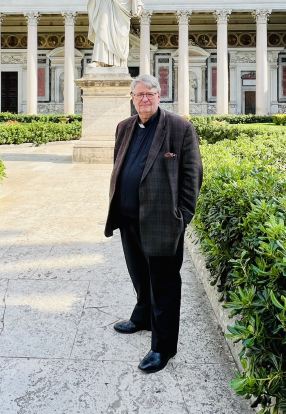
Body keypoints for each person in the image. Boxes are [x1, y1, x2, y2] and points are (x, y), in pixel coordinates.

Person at [104, 75, 203, 373]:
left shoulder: (179, 127)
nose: (144, 99)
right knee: (139, 275)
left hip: (163, 222)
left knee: (164, 284)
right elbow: (119, 166)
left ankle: (162, 348)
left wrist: (182, 216)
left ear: (160, 96)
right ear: (132, 98)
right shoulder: (124, 127)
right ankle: (142, 317)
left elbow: (192, 174)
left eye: (150, 94)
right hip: (128, 219)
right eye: (139, 95)